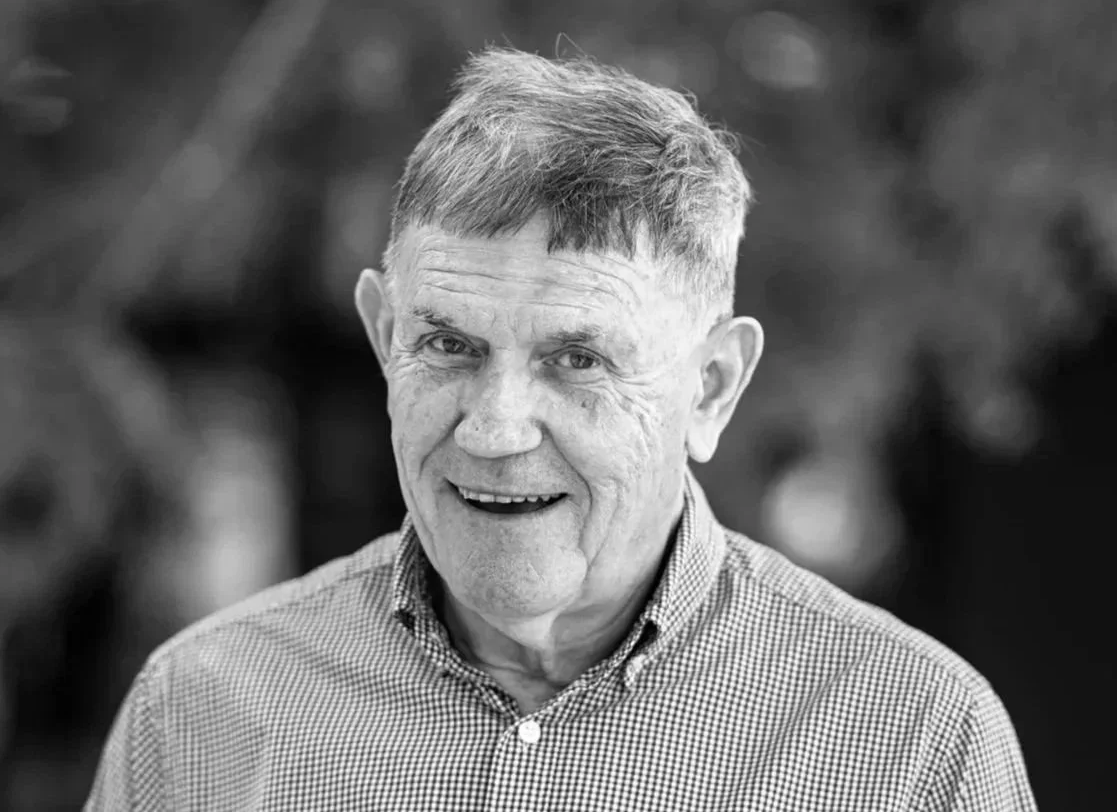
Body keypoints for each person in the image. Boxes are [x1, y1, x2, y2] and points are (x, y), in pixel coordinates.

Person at [85, 47, 1036, 810]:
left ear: (709, 387)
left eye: (575, 359)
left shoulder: (911, 744)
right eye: (448, 344)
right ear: (383, 336)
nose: (495, 429)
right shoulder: (202, 710)